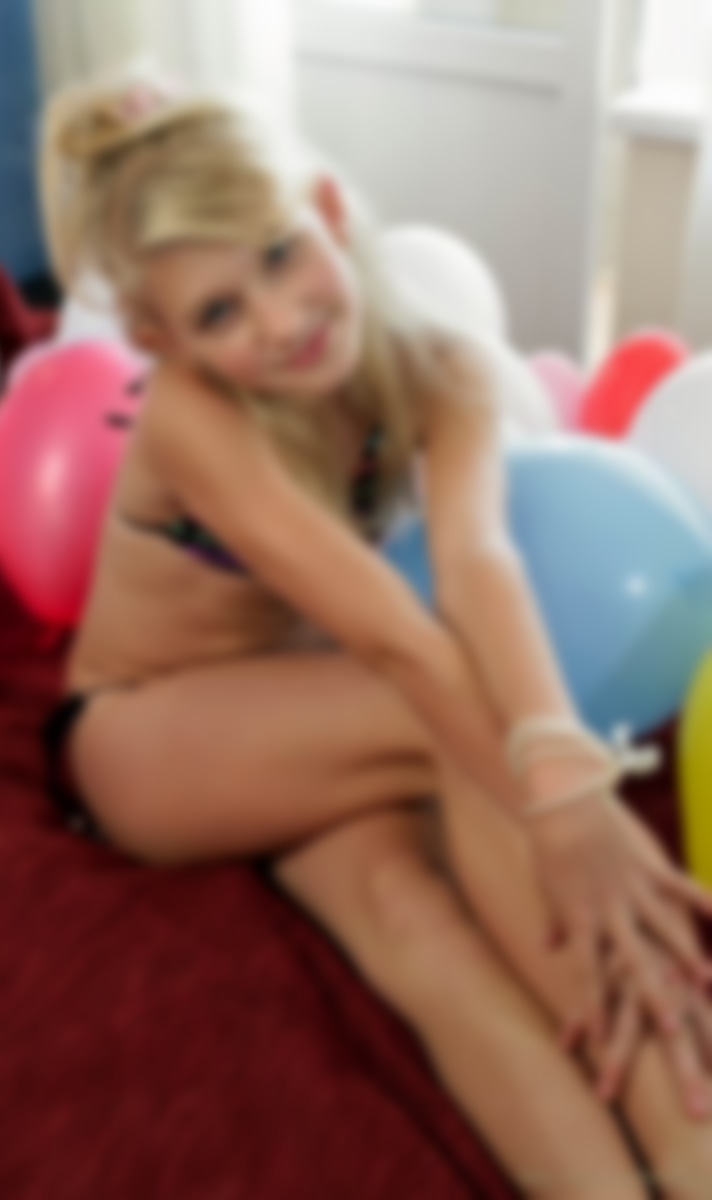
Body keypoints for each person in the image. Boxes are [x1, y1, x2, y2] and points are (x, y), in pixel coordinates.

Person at [39, 64, 712, 1199]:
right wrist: (566, 802)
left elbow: (479, 567)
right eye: (218, 314)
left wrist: (562, 785)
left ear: (326, 209)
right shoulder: (192, 415)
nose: (280, 320)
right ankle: (695, 1138)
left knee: (414, 925)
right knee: (453, 722)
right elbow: (404, 641)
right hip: (143, 737)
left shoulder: (442, 369)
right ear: (161, 340)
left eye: (277, 254)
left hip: (305, 719)